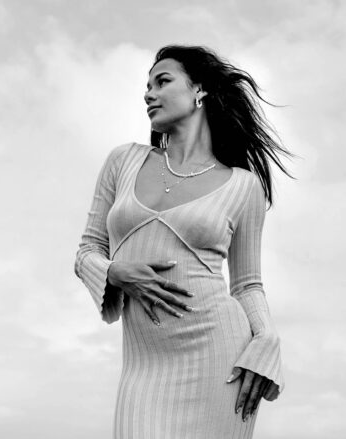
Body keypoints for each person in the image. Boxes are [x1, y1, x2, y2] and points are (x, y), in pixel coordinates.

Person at [74, 44, 296, 439]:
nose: (148, 93)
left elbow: (247, 284)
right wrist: (116, 271)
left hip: (218, 357)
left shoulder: (244, 187)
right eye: (146, 86)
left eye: (162, 81)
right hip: (144, 367)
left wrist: (267, 338)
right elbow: (88, 250)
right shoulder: (123, 161)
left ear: (200, 90)